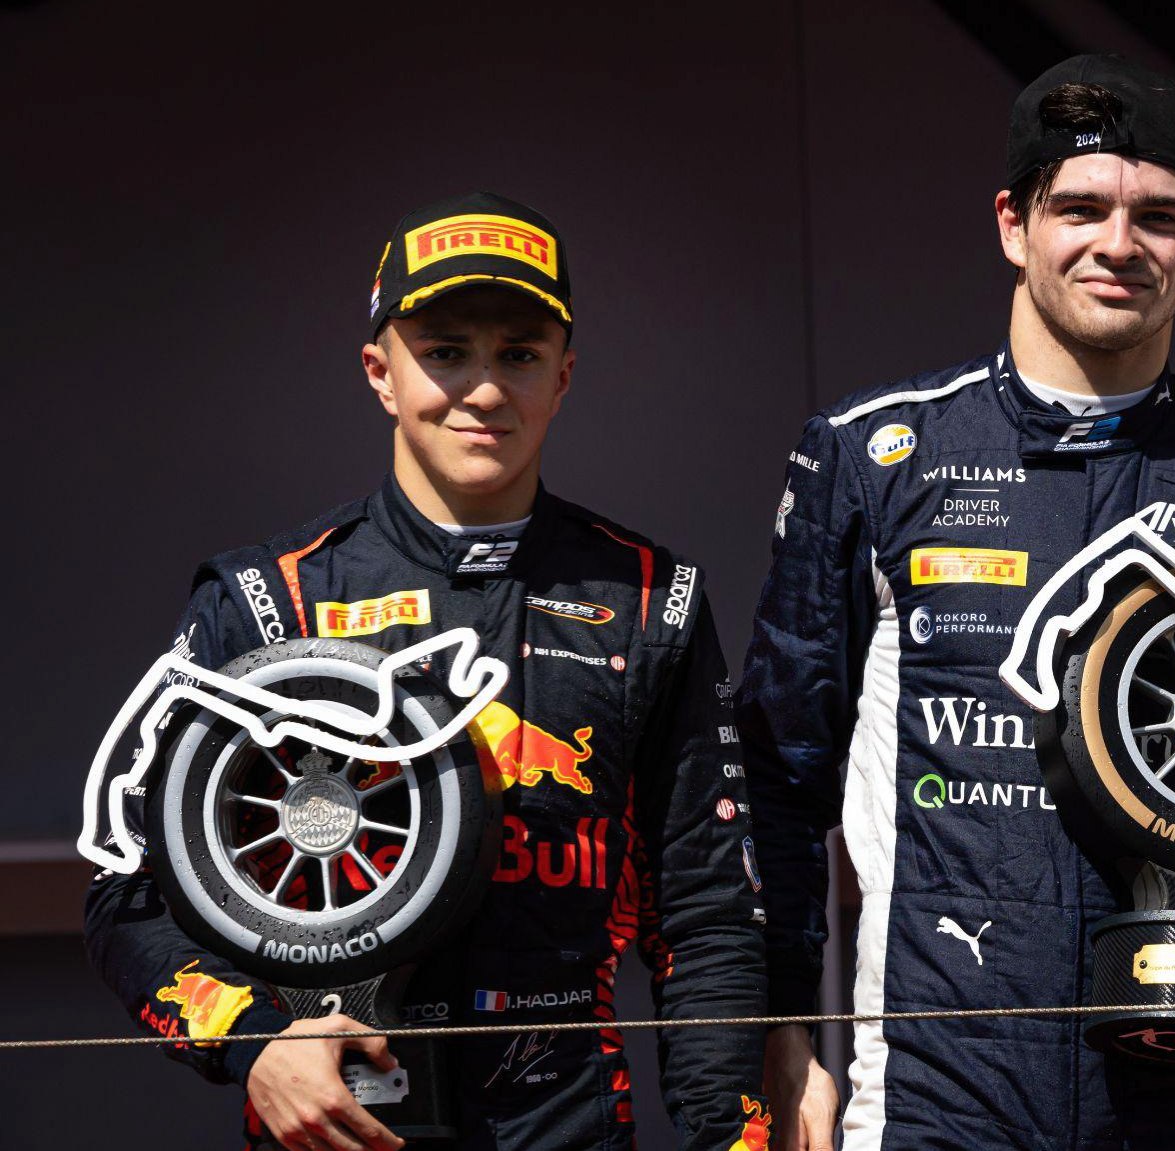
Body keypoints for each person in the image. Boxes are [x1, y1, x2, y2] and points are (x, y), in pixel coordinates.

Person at [740, 54, 1175, 1151]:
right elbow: (780, 777)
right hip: (931, 1089)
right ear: (1013, 222)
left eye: (1160, 216)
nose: (1119, 244)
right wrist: (783, 1039)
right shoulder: (874, 456)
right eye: (1081, 207)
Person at [84, 192, 771, 1151]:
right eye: (446, 352)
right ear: (381, 371)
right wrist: (254, 1041)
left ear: (564, 376)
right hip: (340, 1123)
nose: (484, 390)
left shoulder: (650, 597)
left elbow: (705, 914)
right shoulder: (265, 599)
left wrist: (731, 1134)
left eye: (519, 355)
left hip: (567, 1120)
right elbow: (129, 890)